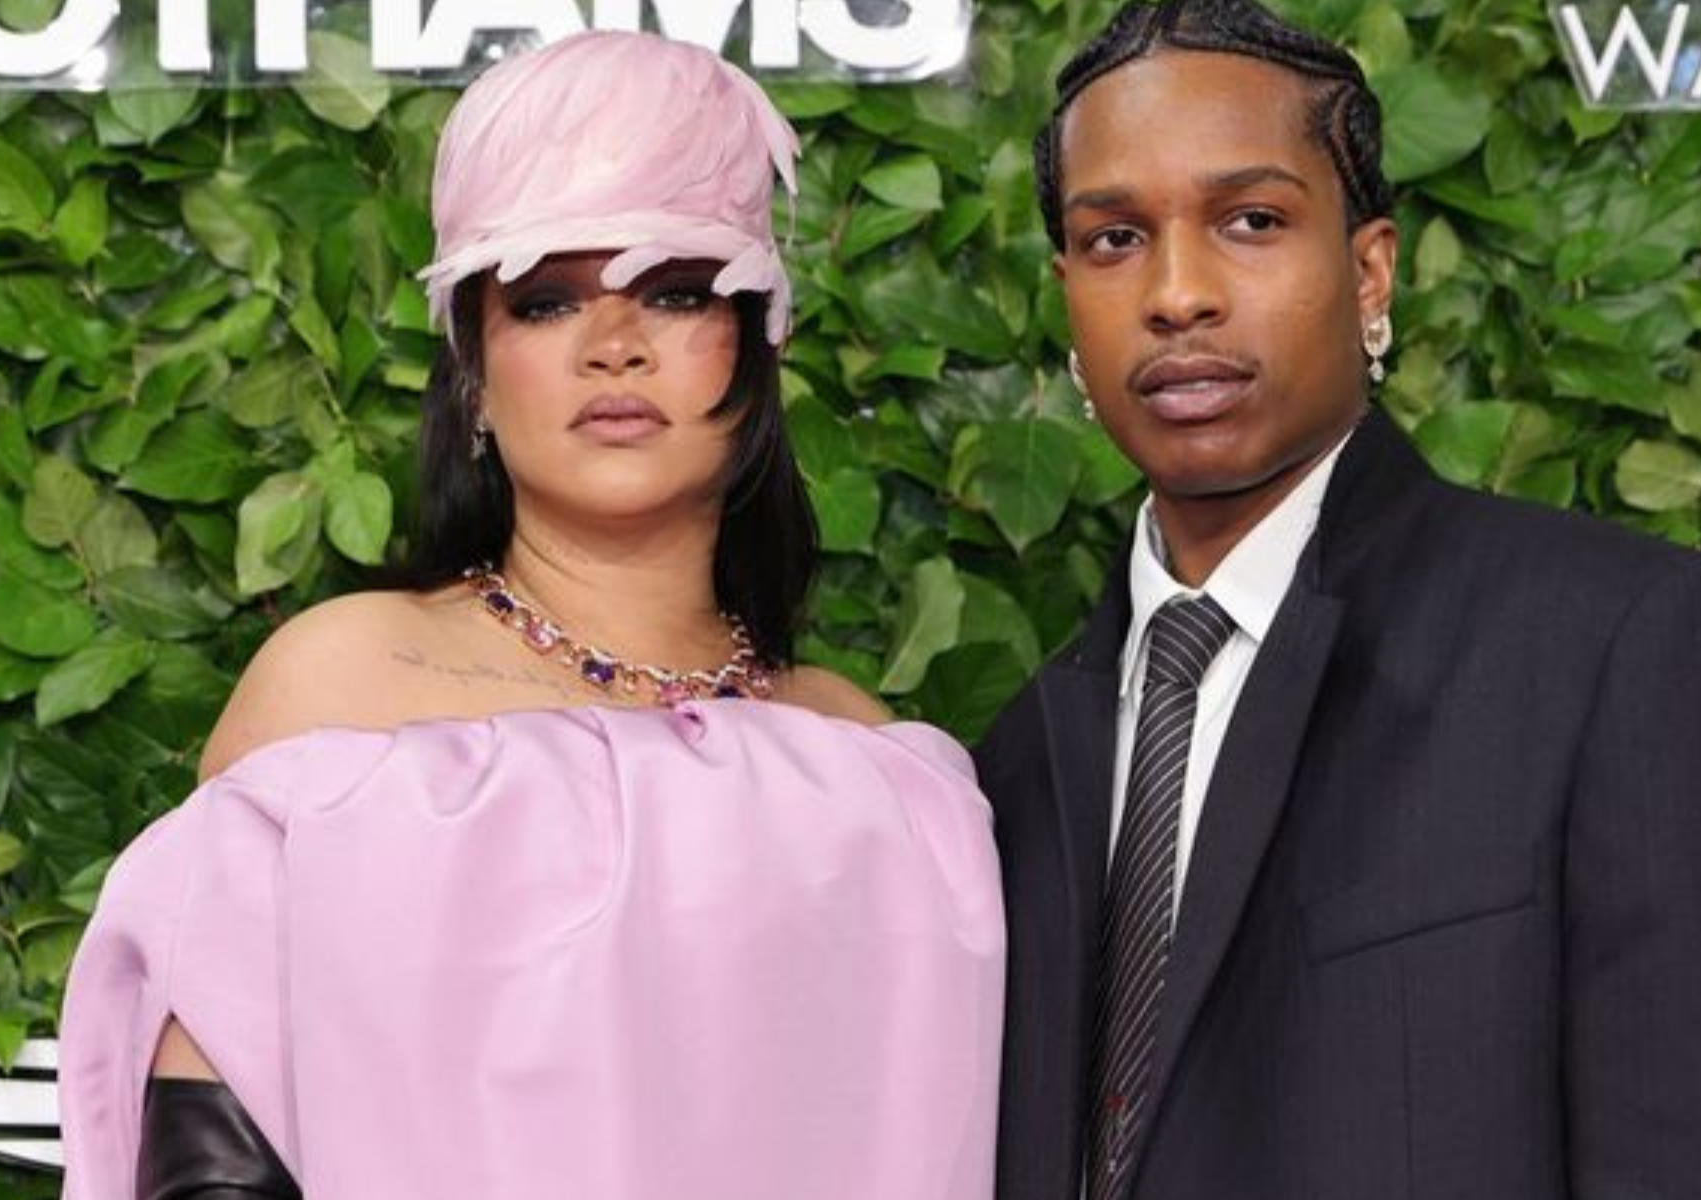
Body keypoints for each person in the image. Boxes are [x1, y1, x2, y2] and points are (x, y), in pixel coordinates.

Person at [57, 31, 1003, 1200]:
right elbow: (217, 1149)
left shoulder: (875, 770)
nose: (615, 346)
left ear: (759, 351)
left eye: (675, 291)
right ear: (473, 376)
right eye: (548, 301)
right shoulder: (341, 689)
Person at [971, 1, 1701, 1198]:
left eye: (1251, 221)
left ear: (1370, 269)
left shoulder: (1620, 650)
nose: (1176, 294)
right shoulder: (1013, 765)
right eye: (1115, 240)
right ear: (1066, 288)